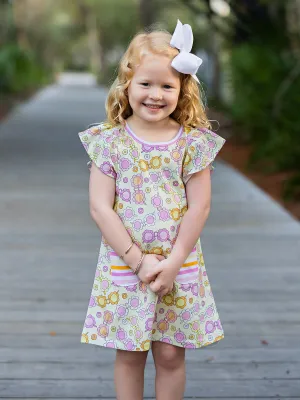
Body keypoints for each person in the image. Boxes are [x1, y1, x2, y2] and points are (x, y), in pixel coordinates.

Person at [78, 19, 225, 400]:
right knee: (129, 353)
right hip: (126, 265)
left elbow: (200, 207)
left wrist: (174, 261)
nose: (155, 94)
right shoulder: (108, 142)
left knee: (171, 354)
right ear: (128, 84)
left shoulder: (193, 144)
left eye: (167, 86)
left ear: (182, 89)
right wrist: (137, 260)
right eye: (146, 83)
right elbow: (100, 207)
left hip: (180, 264)